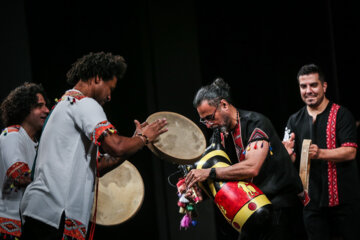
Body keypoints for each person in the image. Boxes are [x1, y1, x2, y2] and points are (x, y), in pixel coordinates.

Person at [19, 52, 167, 240]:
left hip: (42, 214)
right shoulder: (84, 103)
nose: (110, 96)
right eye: (110, 88)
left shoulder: (65, 105)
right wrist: (144, 138)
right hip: (54, 216)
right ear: (97, 78)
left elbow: (99, 165)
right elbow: (116, 146)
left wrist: (135, 140)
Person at [185, 78, 304, 240]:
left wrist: (208, 173)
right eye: (203, 120)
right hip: (254, 208)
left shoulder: (255, 123)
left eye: (210, 117)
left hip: (280, 207)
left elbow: (251, 168)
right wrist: (198, 190)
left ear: (224, 105)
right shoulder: (219, 136)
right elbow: (223, 176)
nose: (208, 124)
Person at [282, 63, 360, 240]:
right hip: (312, 203)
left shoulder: (341, 114)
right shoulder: (294, 120)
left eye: (313, 85)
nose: (308, 90)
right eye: (303, 86)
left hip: (344, 202)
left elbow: (350, 151)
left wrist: (320, 153)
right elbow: (290, 157)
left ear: (324, 86)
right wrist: (287, 155)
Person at [0, 83, 49, 239]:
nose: (46, 111)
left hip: (23, 227)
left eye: (46, 106)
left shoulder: (37, 144)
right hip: (6, 226)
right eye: (39, 106)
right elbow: (21, 176)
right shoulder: (12, 135)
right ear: (24, 109)